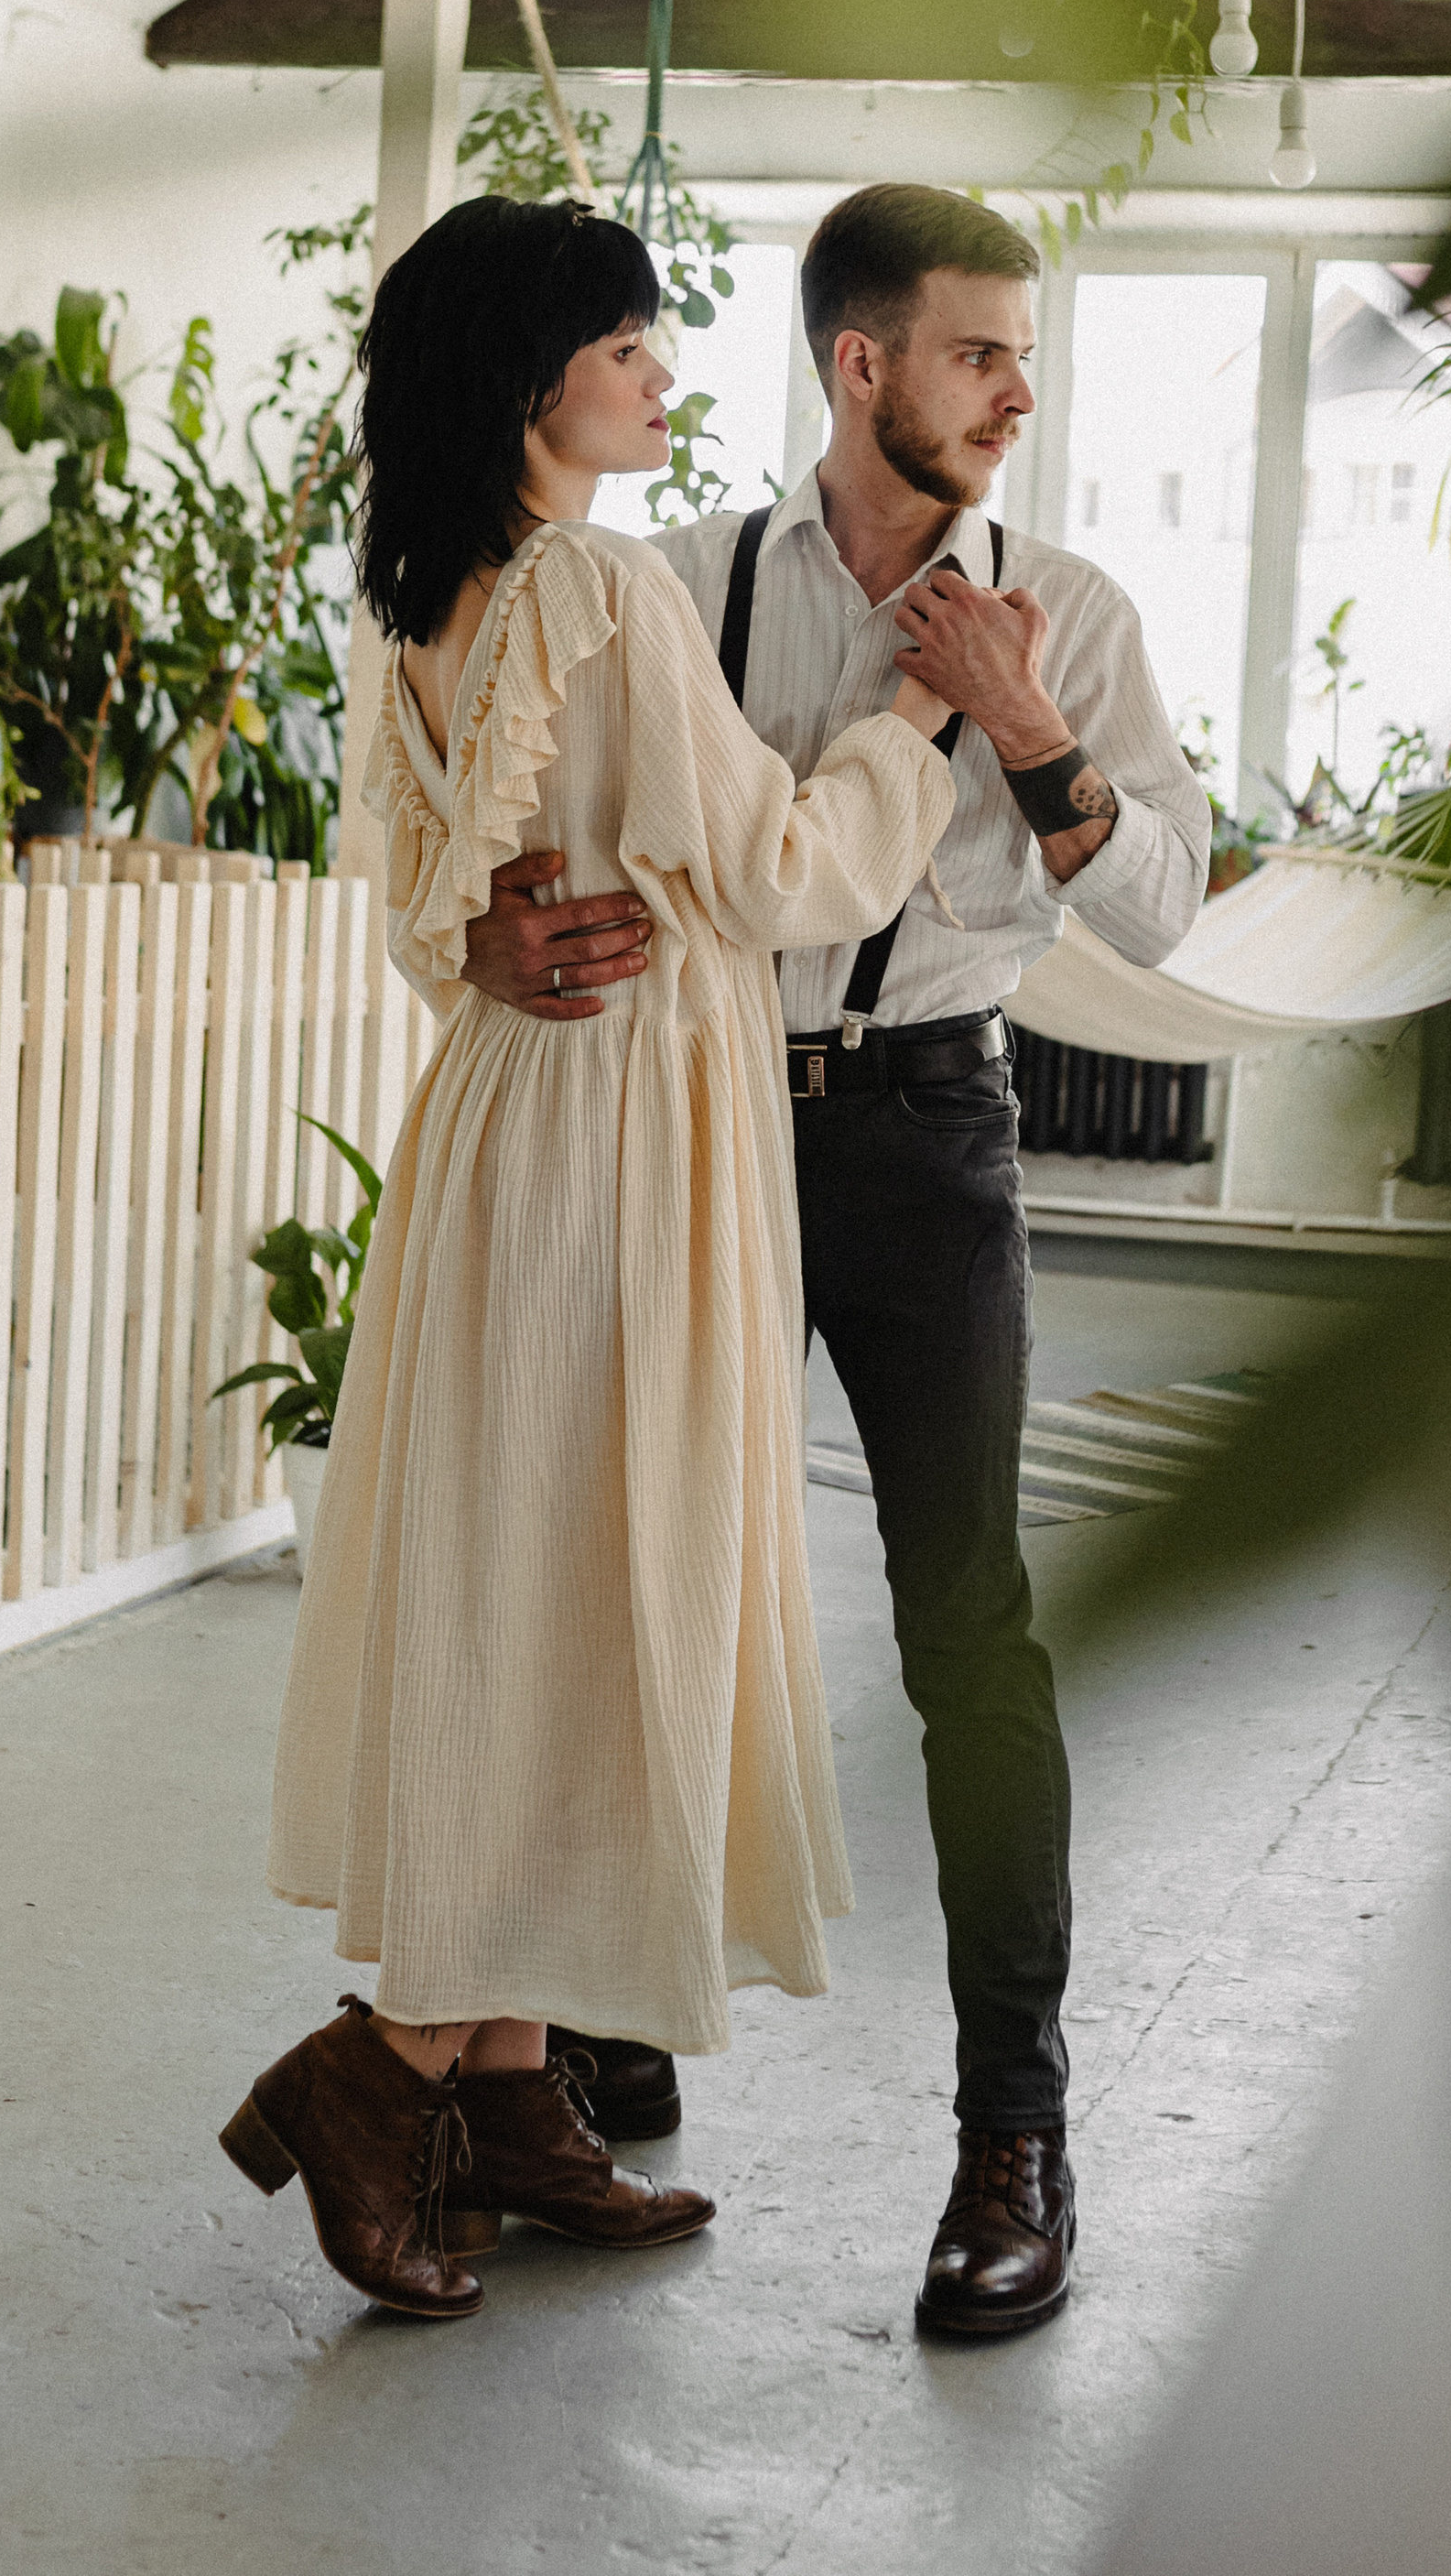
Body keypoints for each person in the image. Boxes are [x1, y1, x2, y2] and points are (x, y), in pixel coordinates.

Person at [462, 183, 1210, 2338]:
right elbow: (522, 820)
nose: (1016, 392)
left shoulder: (1063, 600)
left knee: (966, 1629)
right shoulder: (668, 577)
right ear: (858, 364)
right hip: (672, 1116)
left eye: (1024, 357)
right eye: (976, 352)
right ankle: (586, 2033)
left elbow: (1161, 906)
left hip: (923, 1130)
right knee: (628, 1583)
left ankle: (1013, 2133)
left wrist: (1034, 727)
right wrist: (495, 938)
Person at [228, 195, 960, 2322]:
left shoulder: (424, 598)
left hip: (495, 1136)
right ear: (531, 379)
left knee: (537, 1574)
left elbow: (402, 895)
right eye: (626, 345)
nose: (657, 374)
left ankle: (520, 2102)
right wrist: (915, 724)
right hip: (635, 1124)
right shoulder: (608, 589)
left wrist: (472, 943)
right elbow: (780, 868)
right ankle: (380, 2077)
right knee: (601, 1573)